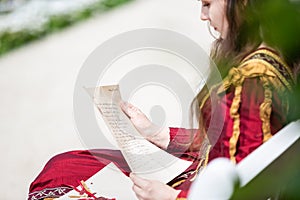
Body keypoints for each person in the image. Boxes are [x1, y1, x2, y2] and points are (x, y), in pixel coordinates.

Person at [28, 0, 300, 199]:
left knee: (61, 176)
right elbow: (236, 143)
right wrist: (158, 134)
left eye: (207, 4)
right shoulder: (273, 55)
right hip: (204, 178)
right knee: (70, 164)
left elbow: (247, 186)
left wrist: (171, 198)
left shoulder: (250, 81)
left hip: (201, 190)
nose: (204, 16)